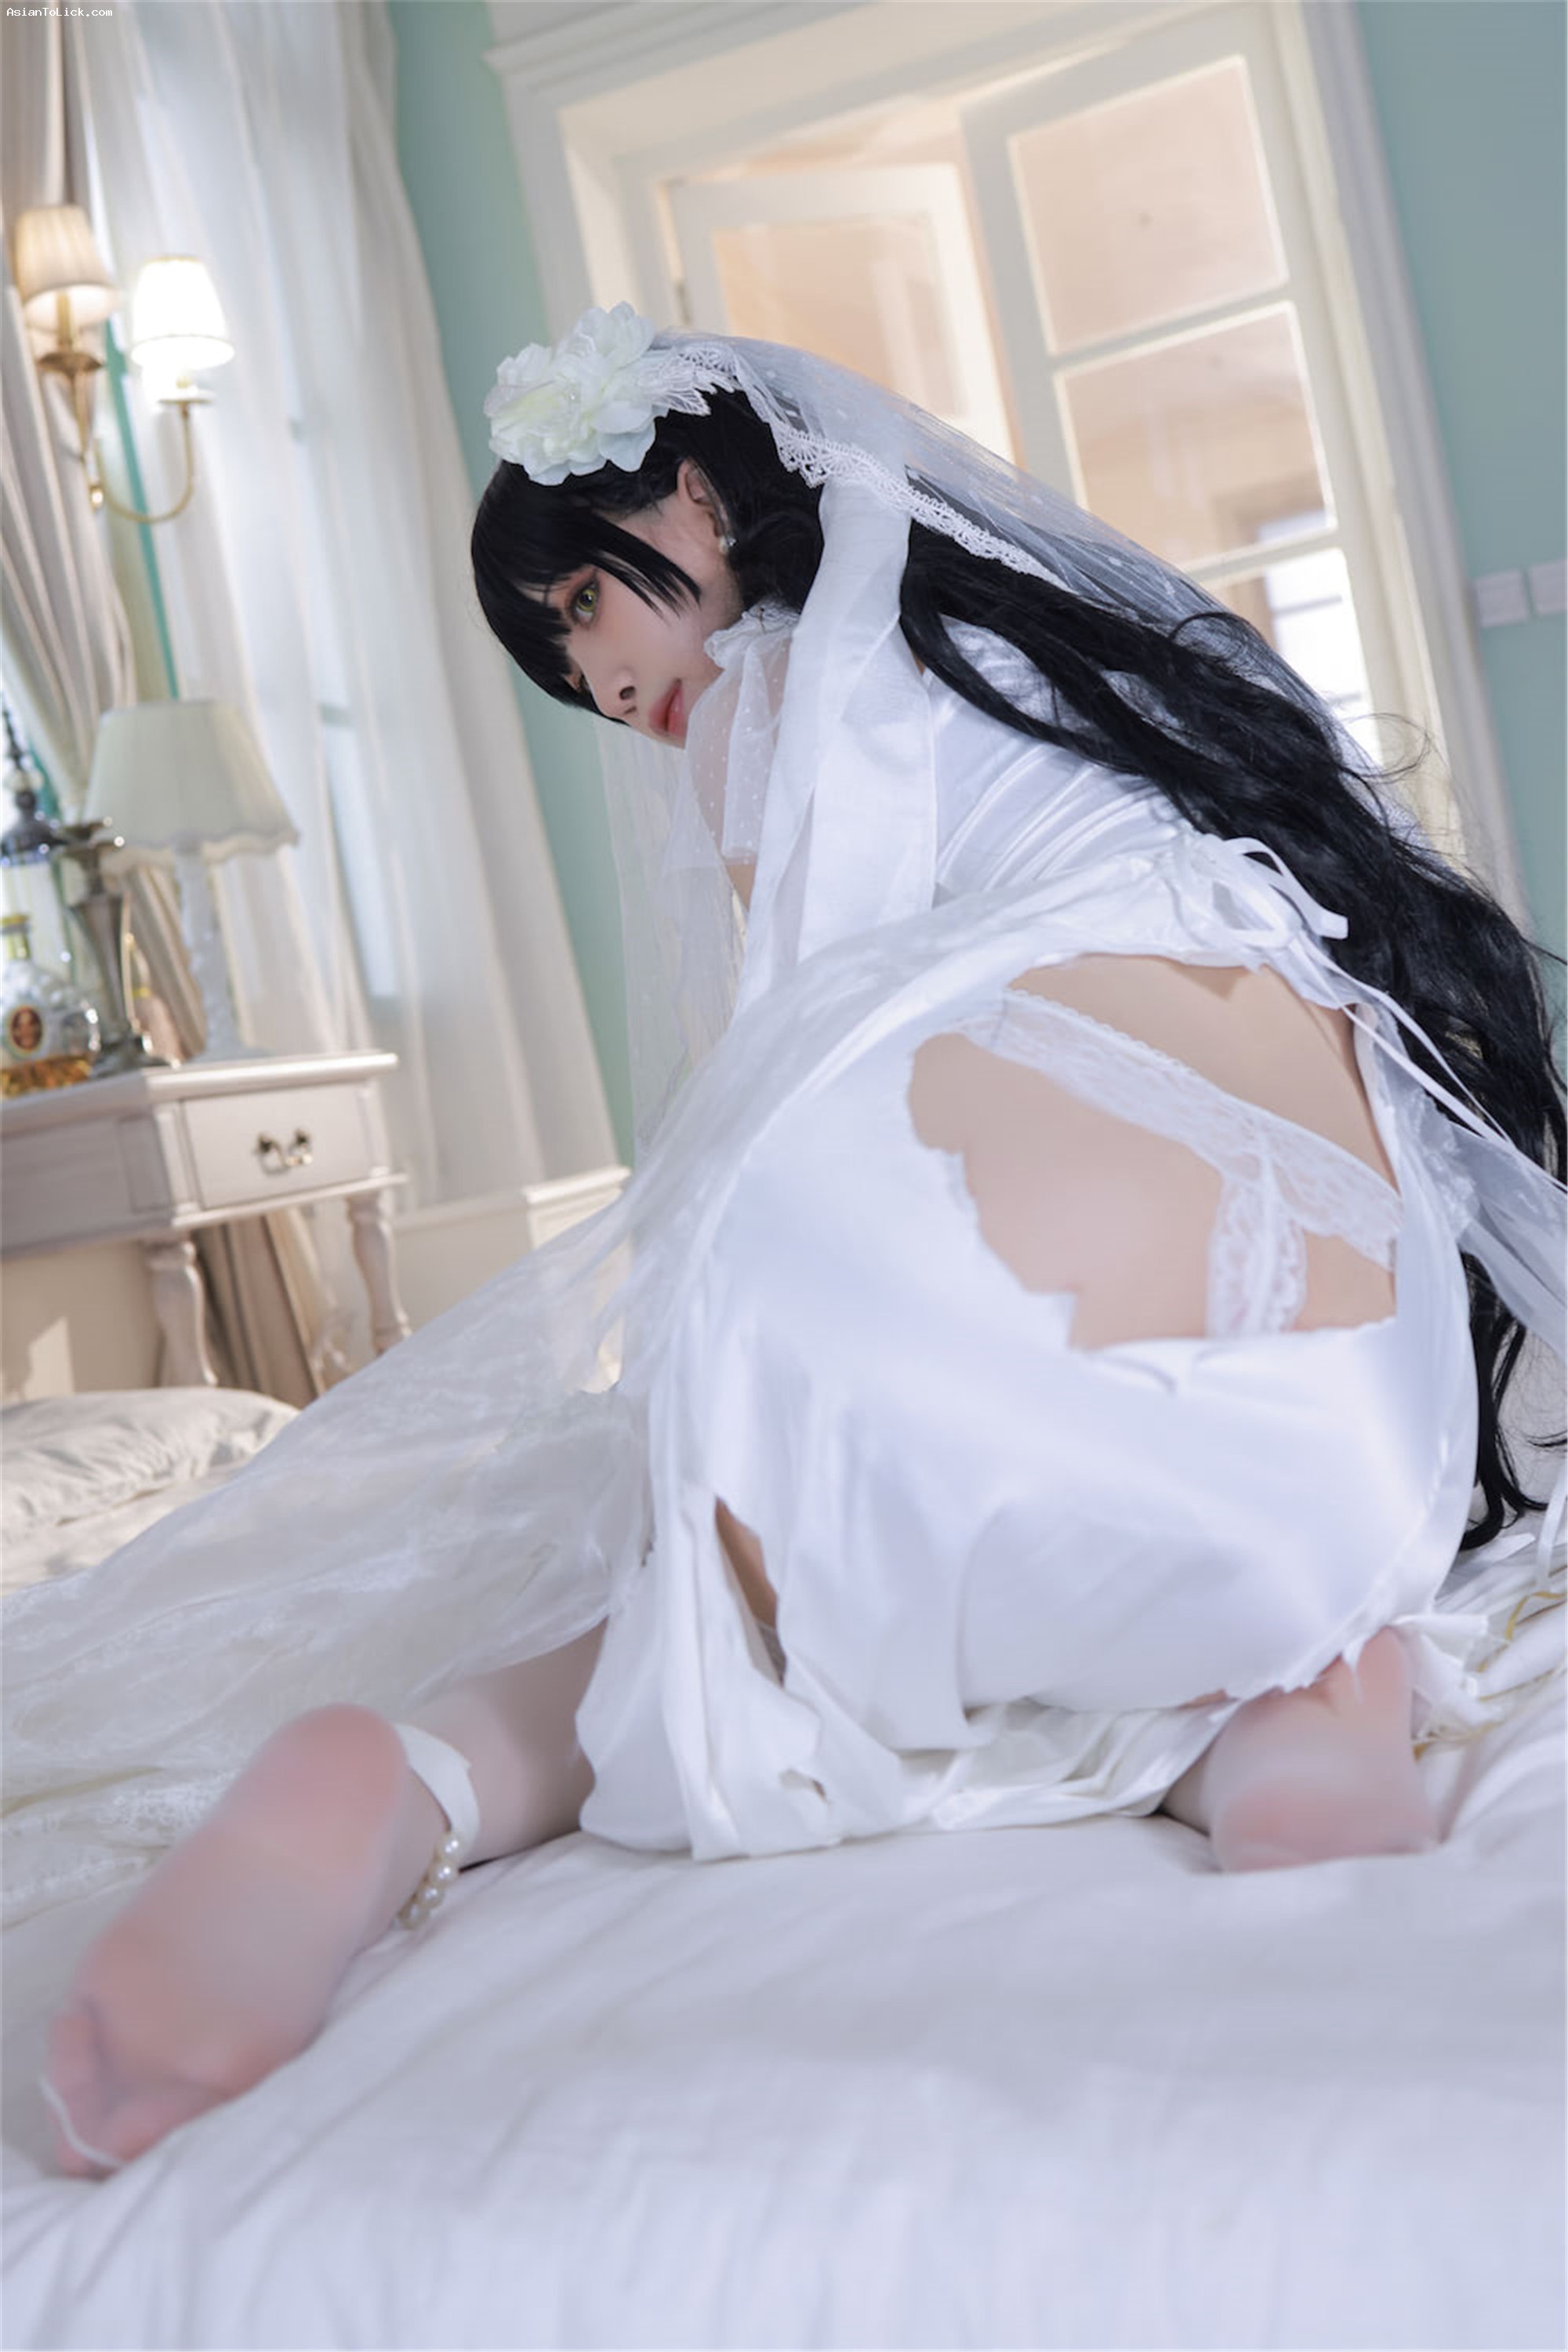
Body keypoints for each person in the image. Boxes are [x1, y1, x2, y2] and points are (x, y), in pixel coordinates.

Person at [19, 310, 1565, 2180]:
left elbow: (807, 1046)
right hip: (1316, 1264)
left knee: (716, 1620)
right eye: (571, 673)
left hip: (961, 1248)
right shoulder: (1061, 658)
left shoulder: (778, 695)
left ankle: (422, 1775)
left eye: (584, 610)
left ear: (694, 496)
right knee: (1296, 1550)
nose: (605, 686)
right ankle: (1301, 1708)